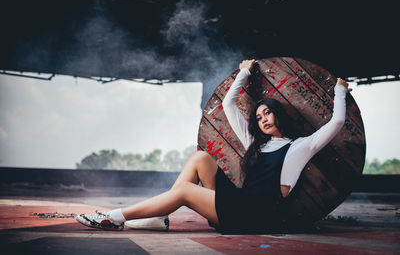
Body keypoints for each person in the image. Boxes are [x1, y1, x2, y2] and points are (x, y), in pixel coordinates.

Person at [76, 59, 352, 232]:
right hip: (238, 203)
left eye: (267, 112)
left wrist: (340, 89)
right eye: (258, 117)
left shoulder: (300, 147)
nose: (263, 119)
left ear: (278, 113)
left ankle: (112, 218)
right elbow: (227, 105)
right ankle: (160, 217)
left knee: (184, 191)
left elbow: (337, 122)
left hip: (252, 216)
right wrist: (243, 74)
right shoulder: (256, 143)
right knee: (201, 159)